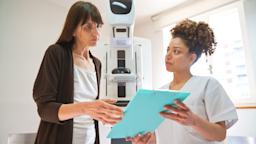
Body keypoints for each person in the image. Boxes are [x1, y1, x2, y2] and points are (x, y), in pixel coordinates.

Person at [126, 19, 238, 144]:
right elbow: (160, 137)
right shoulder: (160, 92)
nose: (168, 55)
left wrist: (194, 121)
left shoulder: (208, 85)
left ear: (191, 58)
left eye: (176, 51)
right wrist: (144, 141)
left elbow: (220, 134)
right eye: (168, 50)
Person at [33, 1, 124, 144]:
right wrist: (85, 108)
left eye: (98, 26)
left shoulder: (97, 64)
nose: (96, 32)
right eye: (88, 27)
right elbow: (45, 109)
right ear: (73, 30)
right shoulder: (56, 53)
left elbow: (94, 112)